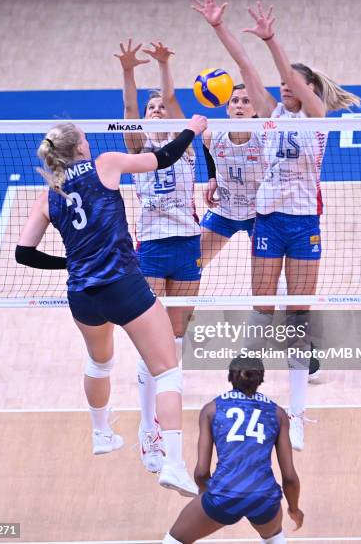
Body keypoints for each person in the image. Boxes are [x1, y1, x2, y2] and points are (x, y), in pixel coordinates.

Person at [192, 0, 361, 450]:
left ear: (307, 91)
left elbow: (288, 77)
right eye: (283, 84)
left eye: (293, 83)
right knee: (263, 309)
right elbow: (246, 68)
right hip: (267, 223)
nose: (285, 86)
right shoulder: (270, 116)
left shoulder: (317, 119)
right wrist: (219, 28)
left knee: (299, 313)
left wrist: (275, 43)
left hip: (304, 225)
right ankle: (242, 391)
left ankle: (300, 415)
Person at [15, 116, 207, 496]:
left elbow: (24, 253)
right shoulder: (107, 164)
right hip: (123, 286)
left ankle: (102, 432)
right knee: (167, 370)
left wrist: (69, 263)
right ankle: (174, 463)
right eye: (85, 138)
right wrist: (193, 129)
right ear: (81, 147)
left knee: (99, 362)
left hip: (83, 295)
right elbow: (165, 157)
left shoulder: (49, 192)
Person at [115, 39, 201, 474]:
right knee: (151, 346)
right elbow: (130, 113)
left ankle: (165, 422)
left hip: (187, 247)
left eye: (161, 110)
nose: (156, 112)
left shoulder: (182, 146)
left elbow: (171, 100)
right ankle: (147, 430)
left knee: (177, 340)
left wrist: (165, 65)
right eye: (151, 111)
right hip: (148, 251)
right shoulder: (135, 152)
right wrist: (130, 73)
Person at [162, 355, 303, 544]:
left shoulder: (211, 410)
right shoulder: (277, 414)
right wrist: (294, 509)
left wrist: (208, 499)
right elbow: (290, 478)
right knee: (274, 537)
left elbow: (202, 471)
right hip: (264, 497)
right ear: (261, 378)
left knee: (174, 540)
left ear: (230, 376)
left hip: (224, 494)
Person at [200, 83, 267, 268]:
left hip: (259, 214)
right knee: (191, 264)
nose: (239, 105)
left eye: (246, 101)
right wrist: (212, 177)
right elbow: (208, 150)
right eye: (235, 101)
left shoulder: (265, 138)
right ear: (227, 107)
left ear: (255, 109)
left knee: (267, 279)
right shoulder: (211, 135)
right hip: (223, 210)